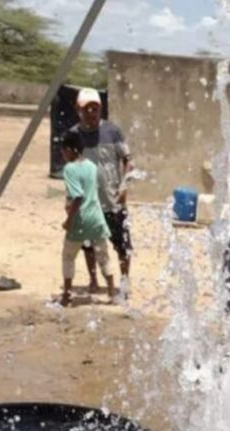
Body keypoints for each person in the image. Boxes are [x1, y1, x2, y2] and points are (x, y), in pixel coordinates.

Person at [68, 88, 135, 298]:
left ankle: (123, 283)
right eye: (86, 109)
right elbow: (71, 168)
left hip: (113, 201)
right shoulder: (73, 135)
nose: (91, 113)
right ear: (78, 109)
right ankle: (93, 280)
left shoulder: (113, 132)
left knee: (122, 245)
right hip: (88, 203)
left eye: (95, 108)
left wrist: (123, 186)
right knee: (89, 246)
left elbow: (128, 161)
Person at [60, 132, 114, 306]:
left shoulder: (69, 169)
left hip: (80, 219)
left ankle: (67, 295)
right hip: (97, 217)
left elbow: (77, 197)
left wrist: (69, 220)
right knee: (104, 257)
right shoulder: (91, 166)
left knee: (68, 256)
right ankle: (112, 293)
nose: (62, 154)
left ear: (69, 149)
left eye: (63, 150)